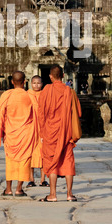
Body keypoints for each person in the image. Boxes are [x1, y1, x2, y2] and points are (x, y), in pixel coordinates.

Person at [38, 64, 82, 202]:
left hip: (50, 132)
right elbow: (78, 113)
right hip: (67, 133)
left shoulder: (46, 90)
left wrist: (41, 133)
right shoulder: (70, 92)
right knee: (68, 162)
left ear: (50, 76)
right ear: (63, 76)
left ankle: (52, 194)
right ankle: (69, 194)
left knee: (51, 162)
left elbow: (41, 113)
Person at [0, 71, 36, 197]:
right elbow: (37, 116)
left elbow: (0, 117)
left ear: (12, 82)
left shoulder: (6, 95)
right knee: (24, 161)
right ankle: (19, 189)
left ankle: (8, 189)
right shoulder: (30, 96)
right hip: (26, 133)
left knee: (10, 161)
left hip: (10, 133)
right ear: (25, 81)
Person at [27, 75, 49, 188]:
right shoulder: (27, 95)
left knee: (43, 154)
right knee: (30, 154)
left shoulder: (45, 95)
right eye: (34, 83)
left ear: (42, 84)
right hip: (30, 129)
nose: (36, 85)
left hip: (42, 128)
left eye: (38, 83)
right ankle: (31, 179)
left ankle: (43, 179)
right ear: (31, 84)